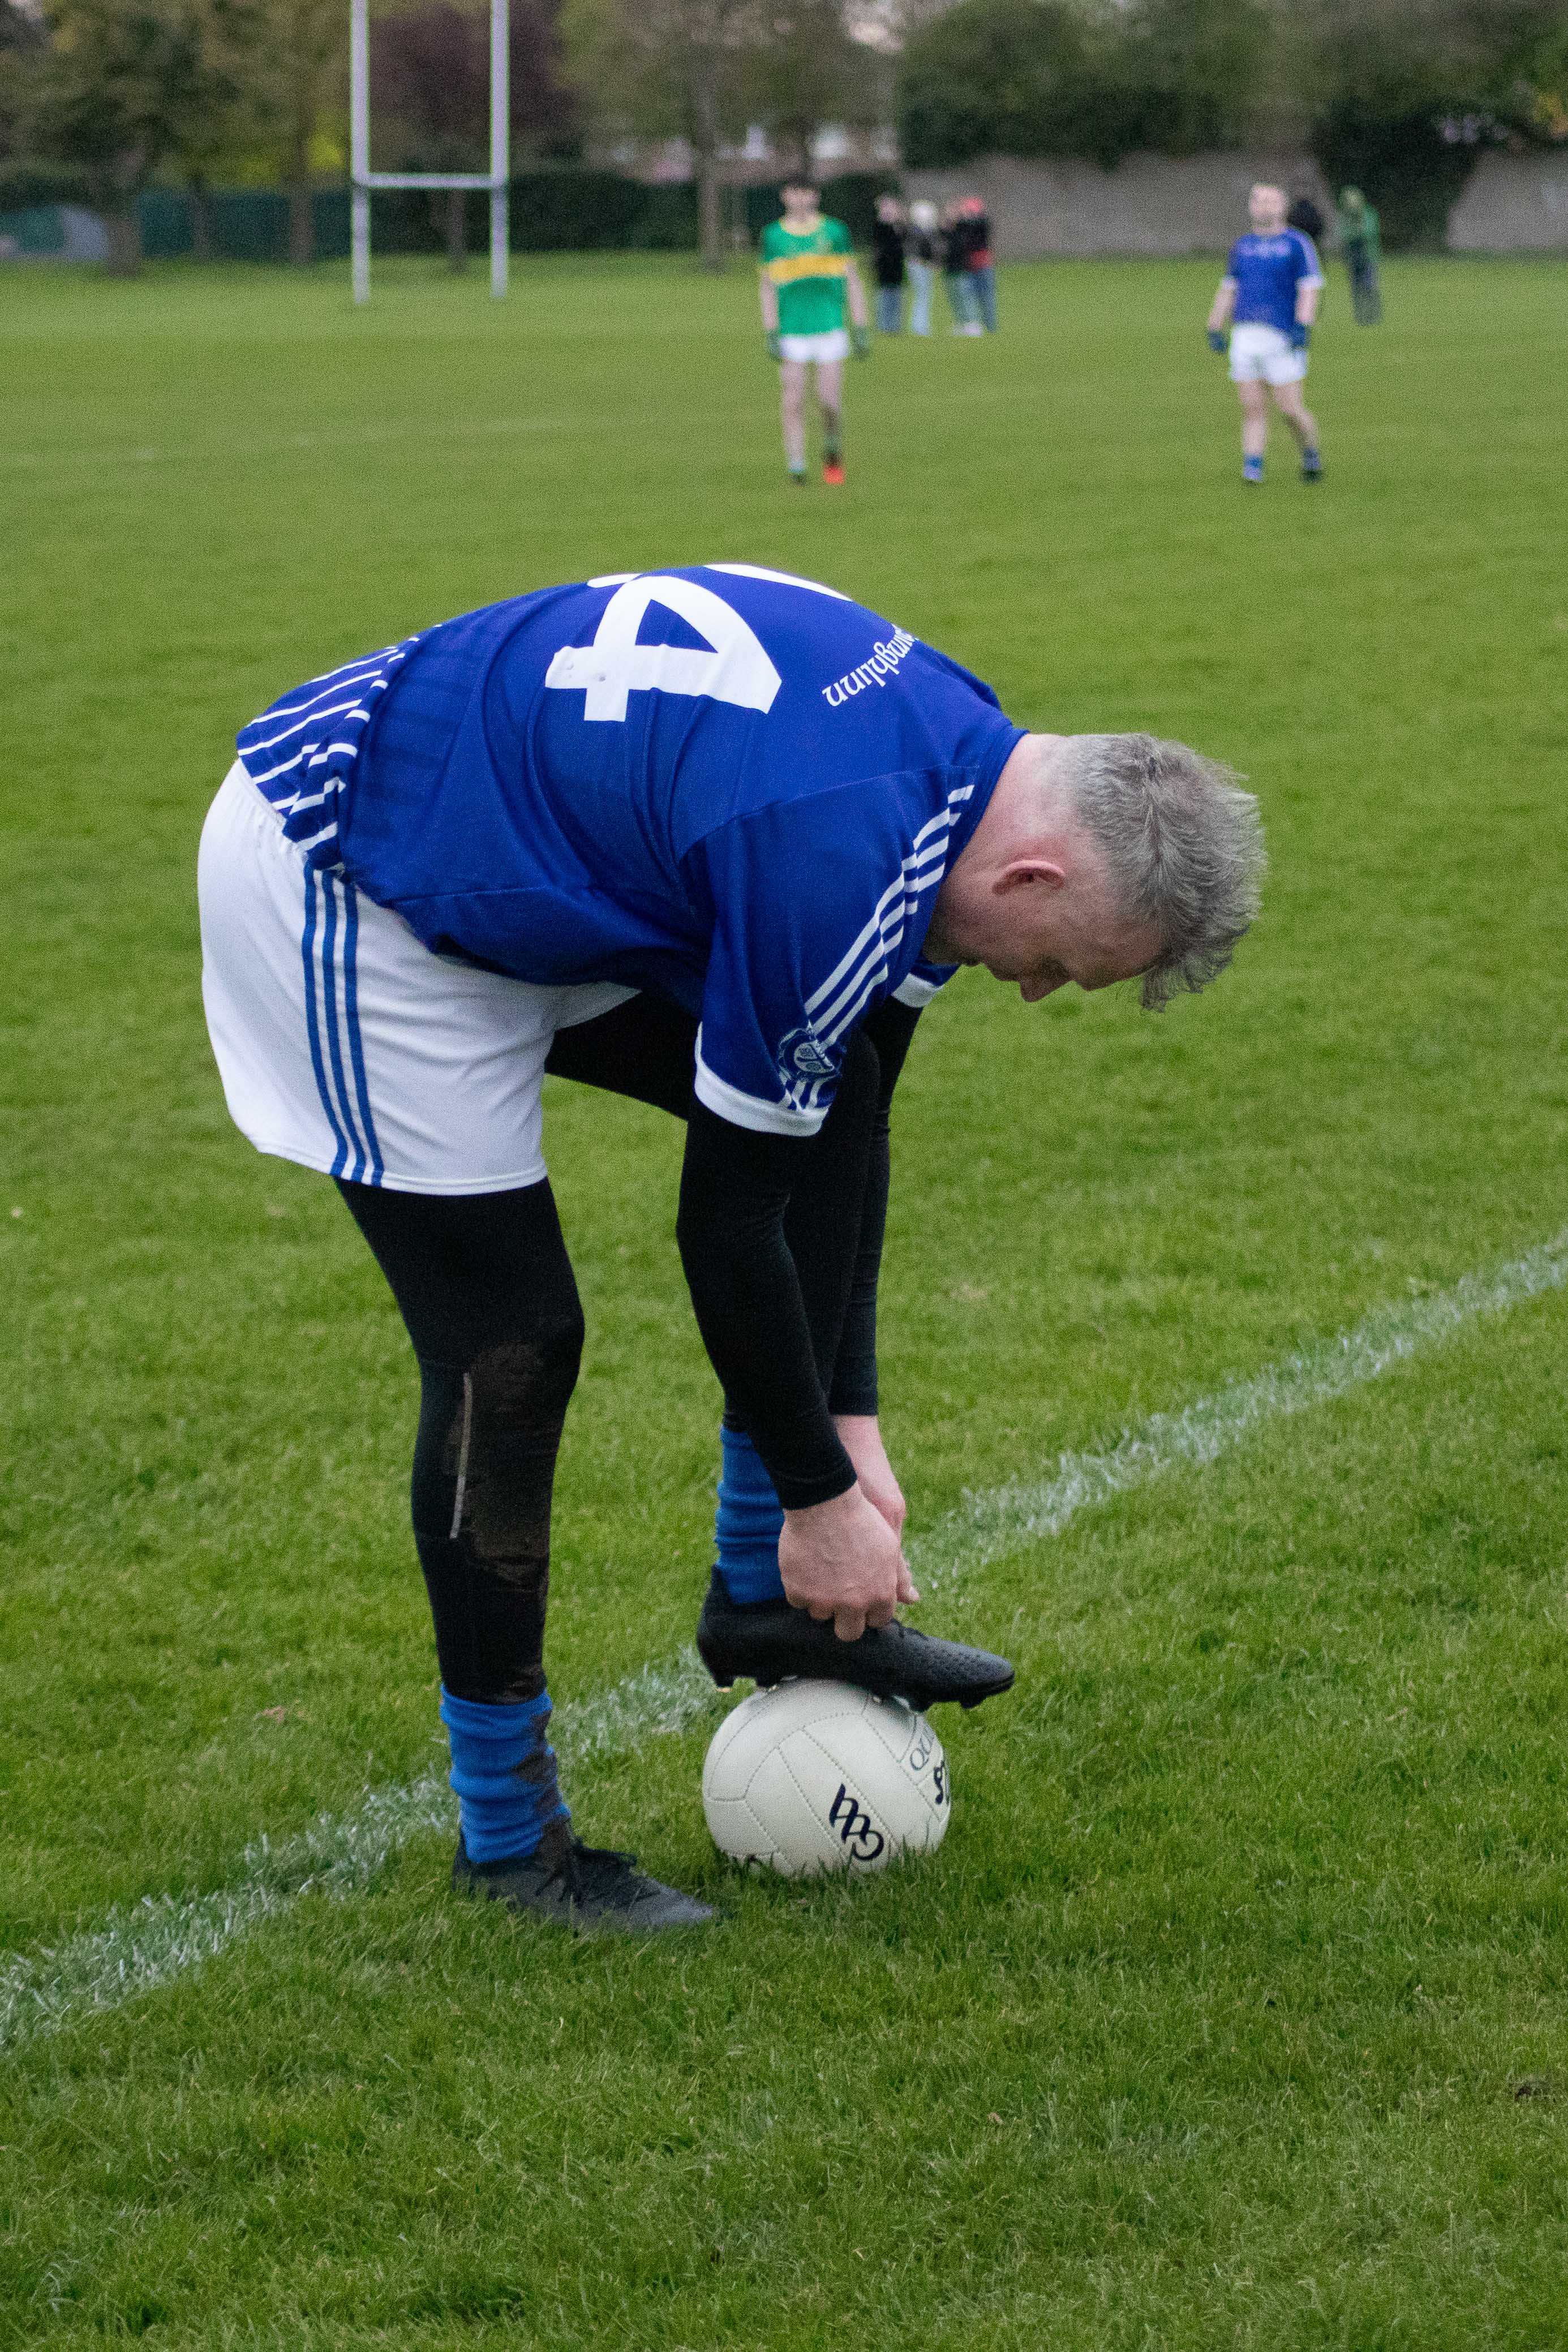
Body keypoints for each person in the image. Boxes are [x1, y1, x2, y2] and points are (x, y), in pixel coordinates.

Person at [199, 562, 1265, 1932]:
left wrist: (846, 1426)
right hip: (349, 870)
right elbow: (726, 1220)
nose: (1034, 989)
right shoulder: (839, 853)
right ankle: (509, 1845)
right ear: (1033, 872)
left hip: (528, 847)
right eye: (1060, 961)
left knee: (829, 1099)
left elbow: (843, 1112)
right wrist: (822, 1501)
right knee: (508, 1345)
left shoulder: (963, 765)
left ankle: (758, 1599)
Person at [1206, 181, 1325, 486]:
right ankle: (1253, 468)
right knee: (1252, 407)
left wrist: (1303, 325)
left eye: (1270, 201)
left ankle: (1310, 452)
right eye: (1258, 200)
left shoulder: (1297, 244)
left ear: (1283, 207)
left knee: (1289, 409)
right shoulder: (1242, 246)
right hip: (1245, 336)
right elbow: (1229, 287)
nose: (1263, 206)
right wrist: (1215, 325)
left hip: (1282, 336)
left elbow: (1309, 288)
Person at [758, 179, 870, 487]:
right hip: (792, 331)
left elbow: (852, 281)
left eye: (805, 192)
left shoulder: (835, 231)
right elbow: (767, 286)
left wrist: (860, 324)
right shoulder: (773, 235)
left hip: (830, 328)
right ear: (785, 197)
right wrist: (771, 330)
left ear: (815, 196)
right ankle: (797, 465)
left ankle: (832, 451)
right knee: (793, 399)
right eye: (794, 193)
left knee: (828, 400)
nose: (800, 199)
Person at [1337, 186, 1382, 325]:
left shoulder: (1368, 214)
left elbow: (1370, 232)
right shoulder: (1344, 217)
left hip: (1369, 257)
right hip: (1352, 258)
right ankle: (1360, 316)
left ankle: (1374, 315)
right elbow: (1344, 235)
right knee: (1356, 288)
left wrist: (1357, 231)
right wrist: (1356, 232)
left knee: (1370, 286)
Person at [959, 194, 998, 333]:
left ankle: (990, 326)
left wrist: (969, 218)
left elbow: (979, 225)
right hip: (970, 266)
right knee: (970, 297)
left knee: (987, 297)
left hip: (983, 265)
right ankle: (974, 325)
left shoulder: (983, 223)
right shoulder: (964, 225)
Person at [940, 202, 979, 334]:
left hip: (962, 268)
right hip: (949, 269)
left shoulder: (964, 228)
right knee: (954, 298)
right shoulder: (946, 231)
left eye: (952, 212)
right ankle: (961, 323)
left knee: (965, 297)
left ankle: (972, 323)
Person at [871, 194, 907, 335]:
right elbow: (880, 238)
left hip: (897, 266)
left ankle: (895, 326)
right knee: (884, 296)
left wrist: (896, 221)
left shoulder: (899, 225)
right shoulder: (880, 225)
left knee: (897, 297)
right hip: (884, 266)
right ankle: (884, 325)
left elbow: (904, 237)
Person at [906, 199, 939, 336]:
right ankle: (919, 328)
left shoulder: (926, 231)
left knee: (924, 296)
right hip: (917, 265)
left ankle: (921, 326)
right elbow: (917, 249)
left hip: (924, 265)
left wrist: (932, 262)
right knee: (922, 295)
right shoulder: (915, 231)